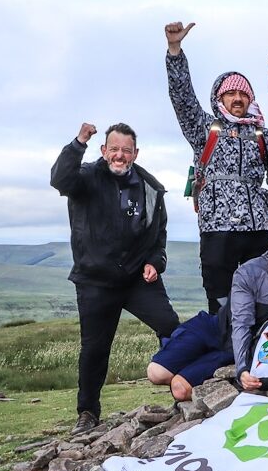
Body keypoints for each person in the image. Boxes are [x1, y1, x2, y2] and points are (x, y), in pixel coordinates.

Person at [165, 21, 268, 313]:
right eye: (230, 94)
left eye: (244, 94)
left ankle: (261, 350)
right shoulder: (204, 129)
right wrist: (175, 51)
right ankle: (223, 352)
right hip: (217, 228)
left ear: (250, 99)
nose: (238, 99)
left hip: (259, 228)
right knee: (220, 299)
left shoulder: (260, 133)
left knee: (263, 296)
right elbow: (182, 99)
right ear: (219, 98)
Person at [51, 122, 180, 436]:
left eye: (126, 150)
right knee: (95, 348)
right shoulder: (85, 178)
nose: (120, 155)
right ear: (103, 150)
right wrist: (78, 141)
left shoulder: (151, 188)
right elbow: (60, 179)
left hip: (137, 278)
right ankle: (87, 412)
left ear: (135, 153)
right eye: (114, 149)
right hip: (94, 279)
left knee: (171, 328)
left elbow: (158, 234)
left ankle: (183, 391)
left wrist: (155, 261)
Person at [148, 217, 268, 398]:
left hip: (245, 344)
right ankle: (194, 362)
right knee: (156, 372)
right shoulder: (250, 271)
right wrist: (243, 368)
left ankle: (198, 369)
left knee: (180, 389)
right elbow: (241, 322)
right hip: (218, 327)